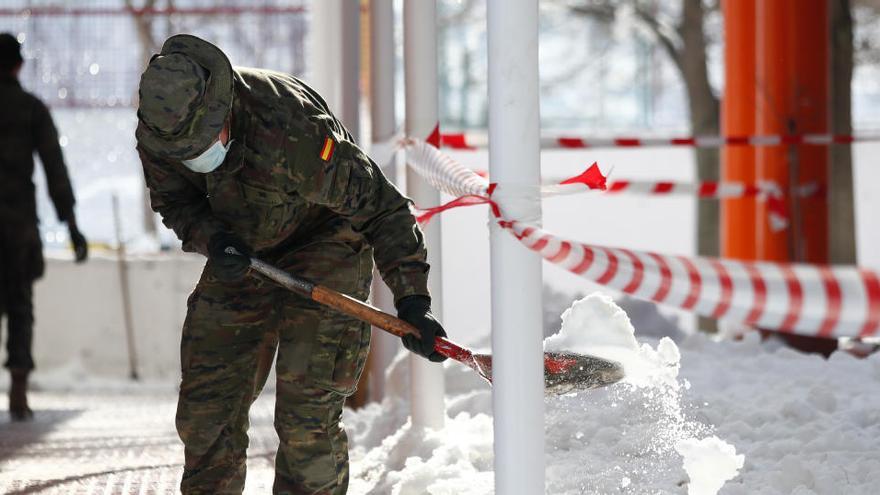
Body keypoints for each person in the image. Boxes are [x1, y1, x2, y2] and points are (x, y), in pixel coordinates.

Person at [135, 34, 447, 494]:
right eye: (184, 151)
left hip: (327, 241)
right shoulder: (160, 130)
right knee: (207, 410)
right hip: (241, 251)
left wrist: (413, 301)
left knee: (307, 423)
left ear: (222, 112)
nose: (194, 158)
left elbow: (383, 209)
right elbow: (174, 201)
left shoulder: (290, 130)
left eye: (201, 144)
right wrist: (212, 238)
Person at [0, 33, 88, 422]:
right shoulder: (31, 109)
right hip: (18, 225)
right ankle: (18, 390)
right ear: (18, 66)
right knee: (20, 306)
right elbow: (55, 168)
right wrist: (71, 226)